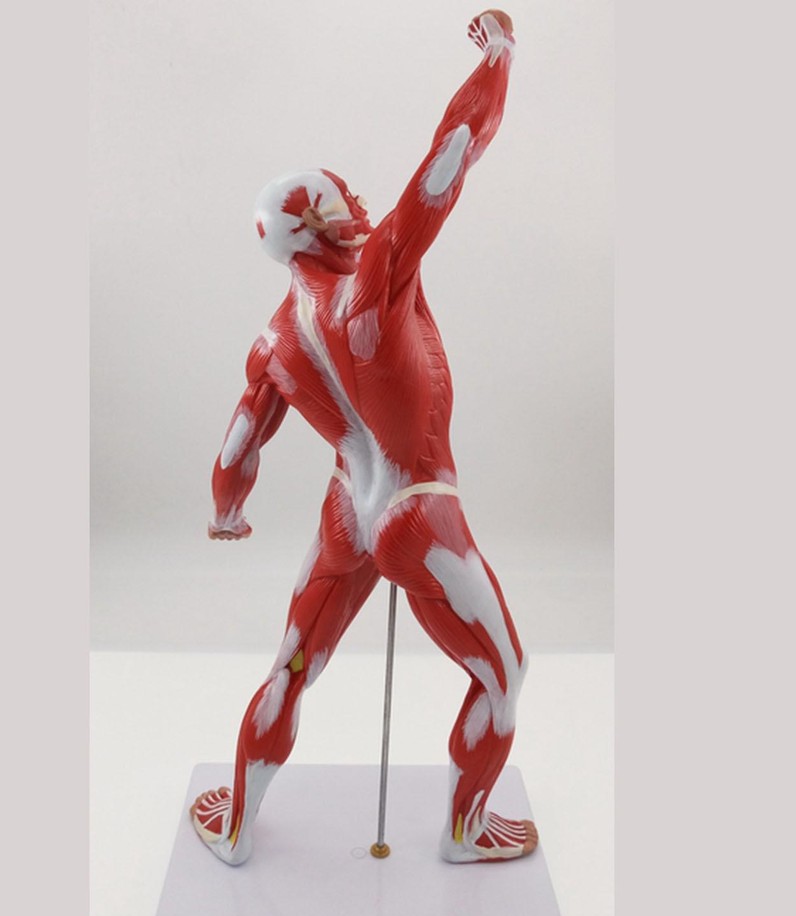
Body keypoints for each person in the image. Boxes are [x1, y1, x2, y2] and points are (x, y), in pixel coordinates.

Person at [191, 10, 538, 865]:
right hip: (418, 511)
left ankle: (235, 829)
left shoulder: (275, 341)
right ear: (325, 219)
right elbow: (454, 151)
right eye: (342, 192)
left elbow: (238, 448)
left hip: (348, 509)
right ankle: (464, 832)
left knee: (292, 664)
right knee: (503, 674)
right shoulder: (376, 276)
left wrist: (228, 515)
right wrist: (498, 56)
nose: (358, 199)